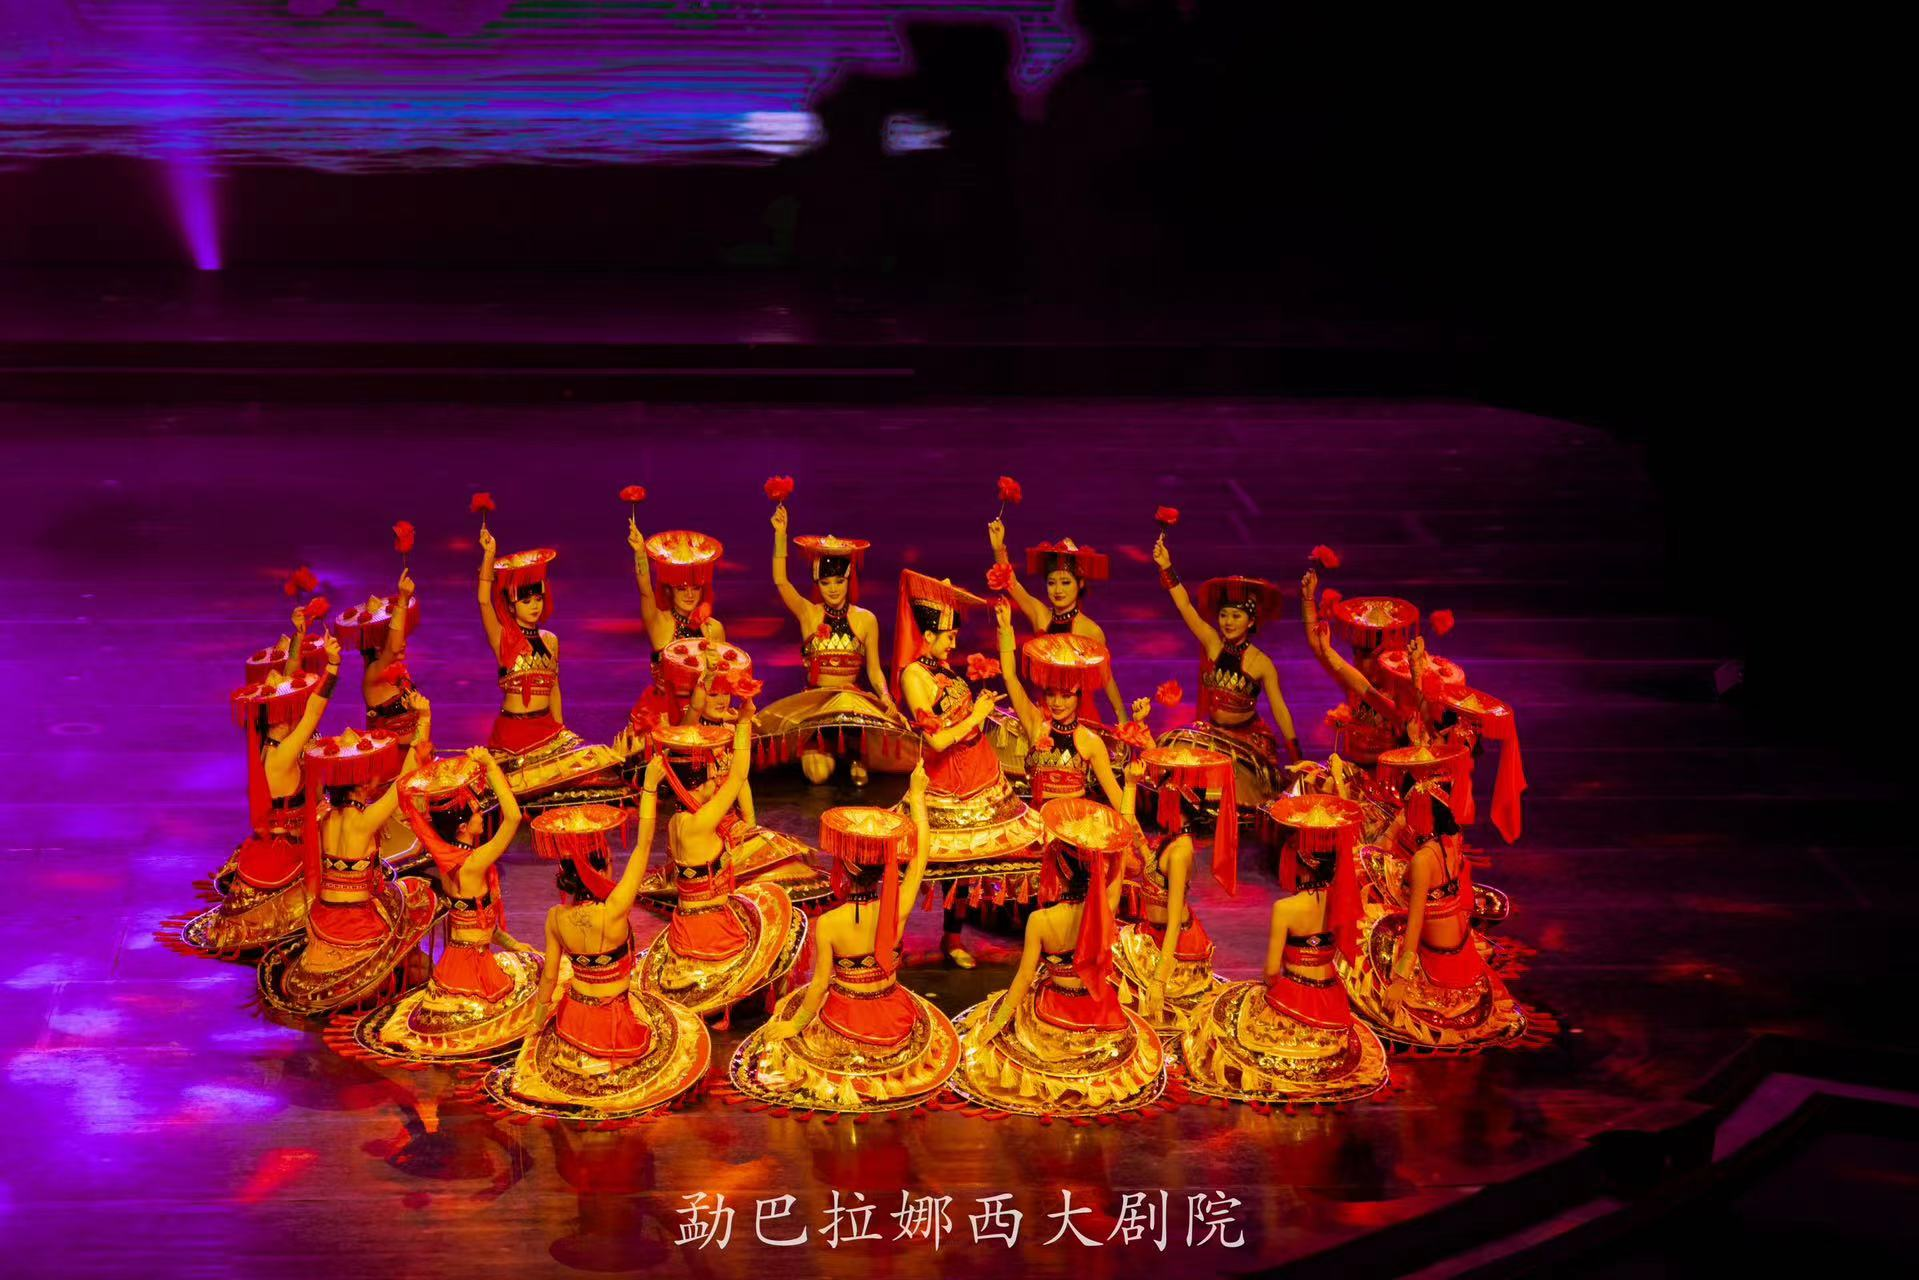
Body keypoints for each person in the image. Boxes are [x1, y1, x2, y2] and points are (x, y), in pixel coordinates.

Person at [730, 765, 962, 1113]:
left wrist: (794, 1025)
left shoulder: (829, 923)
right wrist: (917, 797)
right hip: (892, 1018)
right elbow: (920, 859)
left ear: (845, 869)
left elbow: (819, 986)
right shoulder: (895, 909)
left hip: (847, 1022)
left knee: (787, 1014)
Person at [484, 795, 710, 1121]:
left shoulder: (555, 917)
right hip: (613, 1028)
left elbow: (549, 978)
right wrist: (649, 788)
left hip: (573, 1024)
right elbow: (644, 845)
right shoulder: (615, 908)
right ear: (600, 868)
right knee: (679, 1032)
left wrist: (536, 1025)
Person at [950, 796, 1166, 1117]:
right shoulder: (1104, 910)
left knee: (1005, 1022)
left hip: (1054, 1016)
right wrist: (1116, 835)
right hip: (1099, 1015)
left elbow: (1024, 978)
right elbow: (1117, 867)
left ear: (1059, 871)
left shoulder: (1040, 921)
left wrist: (998, 1023)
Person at [1180, 794, 1390, 1104]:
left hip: (1294, 999)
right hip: (1332, 1004)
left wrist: (1267, 988)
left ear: (1302, 861)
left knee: (1221, 1013)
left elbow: (1270, 972)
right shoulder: (1341, 900)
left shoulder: (1286, 909)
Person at [345, 750, 543, 1062]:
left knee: (523, 956)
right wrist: (491, 767)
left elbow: (479, 924)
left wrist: (512, 943)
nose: (482, 816)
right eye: (476, 812)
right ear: (462, 827)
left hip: (452, 968)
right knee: (540, 971)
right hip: (476, 972)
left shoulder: (445, 858)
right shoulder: (474, 863)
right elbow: (514, 818)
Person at [893, 570, 1044, 968]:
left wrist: (980, 709)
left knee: (969, 866)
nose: (954, 642)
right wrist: (976, 714)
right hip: (949, 780)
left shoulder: (943, 669)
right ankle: (892, 937)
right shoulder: (914, 676)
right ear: (928, 635)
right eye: (949, 636)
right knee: (931, 862)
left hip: (979, 772)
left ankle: (953, 937)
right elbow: (936, 741)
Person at [1339, 751, 1527, 1052]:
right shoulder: (1453, 841)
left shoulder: (1422, 861)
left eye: (1412, 807)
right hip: (1461, 949)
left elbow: (1414, 924)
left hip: (1435, 960)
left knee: (1364, 927)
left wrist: (1400, 979)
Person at [258, 720, 439, 1016]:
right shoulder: (363, 822)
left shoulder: (323, 816)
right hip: (356, 924)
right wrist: (423, 725)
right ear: (362, 784)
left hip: (325, 918)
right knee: (417, 897)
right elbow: (403, 783)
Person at [633, 717, 805, 1029]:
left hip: (685, 928)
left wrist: (649, 787)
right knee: (781, 922)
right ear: (695, 785)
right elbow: (738, 775)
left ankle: (714, 1005)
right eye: (711, 779)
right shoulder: (700, 823)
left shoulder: (675, 823)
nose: (716, 784)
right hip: (714, 932)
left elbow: (643, 841)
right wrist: (744, 721)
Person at [181, 631, 344, 955]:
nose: (296, 707)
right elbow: (314, 712)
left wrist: (297, 640)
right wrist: (334, 667)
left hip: (288, 833)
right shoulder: (282, 755)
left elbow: (291, 683)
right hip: (289, 849)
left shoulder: (268, 740)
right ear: (281, 716)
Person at [754, 506, 912, 784]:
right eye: (826, 583)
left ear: (849, 579)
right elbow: (780, 581)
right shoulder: (809, 614)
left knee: (861, 775)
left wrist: (885, 696)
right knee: (817, 775)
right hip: (816, 705)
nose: (834, 589)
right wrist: (780, 535)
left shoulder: (866, 619)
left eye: (839, 581)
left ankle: (852, 750)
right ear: (818, 583)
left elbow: (874, 670)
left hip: (851, 705)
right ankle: (828, 749)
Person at [1150, 533, 1301, 817]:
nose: (1228, 622)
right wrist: (1166, 567)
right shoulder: (1213, 643)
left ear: (1251, 621)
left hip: (1247, 741)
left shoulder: (1262, 663)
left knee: (1233, 783)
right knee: (1171, 747)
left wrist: (1297, 757)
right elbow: (1185, 606)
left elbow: (1280, 710)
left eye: (1236, 616)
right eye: (1224, 615)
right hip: (1214, 732)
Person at [992, 599, 1143, 807]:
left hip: (1074, 823)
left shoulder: (1090, 741)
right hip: (1038, 822)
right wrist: (1006, 629)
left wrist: (1131, 785)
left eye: (1065, 696)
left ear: (1079, 696)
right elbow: (1010, 677)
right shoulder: (1036, 725)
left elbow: (1116, 798)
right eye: (1050, 694)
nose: (1056, 703)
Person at [987, 518, 1126, 720]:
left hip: (1081, 717)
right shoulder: (1040, 615)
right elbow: (1011, 584)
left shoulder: (1091, 630)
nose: (1058, 590)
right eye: (1052, 583)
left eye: (1065, 582)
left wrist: (1122, 717)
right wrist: (998, 548)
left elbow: (1106, 678)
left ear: (1080, 584)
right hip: (1044, 714)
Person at [627, 520, 725, 729]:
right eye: (681, 588)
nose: (689, 595)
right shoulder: (660, 623)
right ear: (669, 590)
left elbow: (719, 682)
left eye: (695, 588)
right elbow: (645, 591)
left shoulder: (713, 628)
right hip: (664, 715)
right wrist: (640, 553)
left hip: (702, 714)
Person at [477, 531, 564, 757]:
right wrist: (489, 554)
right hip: (513, 734)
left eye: (538, 599)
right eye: (526, 601)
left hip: (546, 729)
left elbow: (554, 689)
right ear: (511, 606)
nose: (534, 606)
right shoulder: (503, 637)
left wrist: (560, 730)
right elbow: (484, 601)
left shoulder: (550, 640)